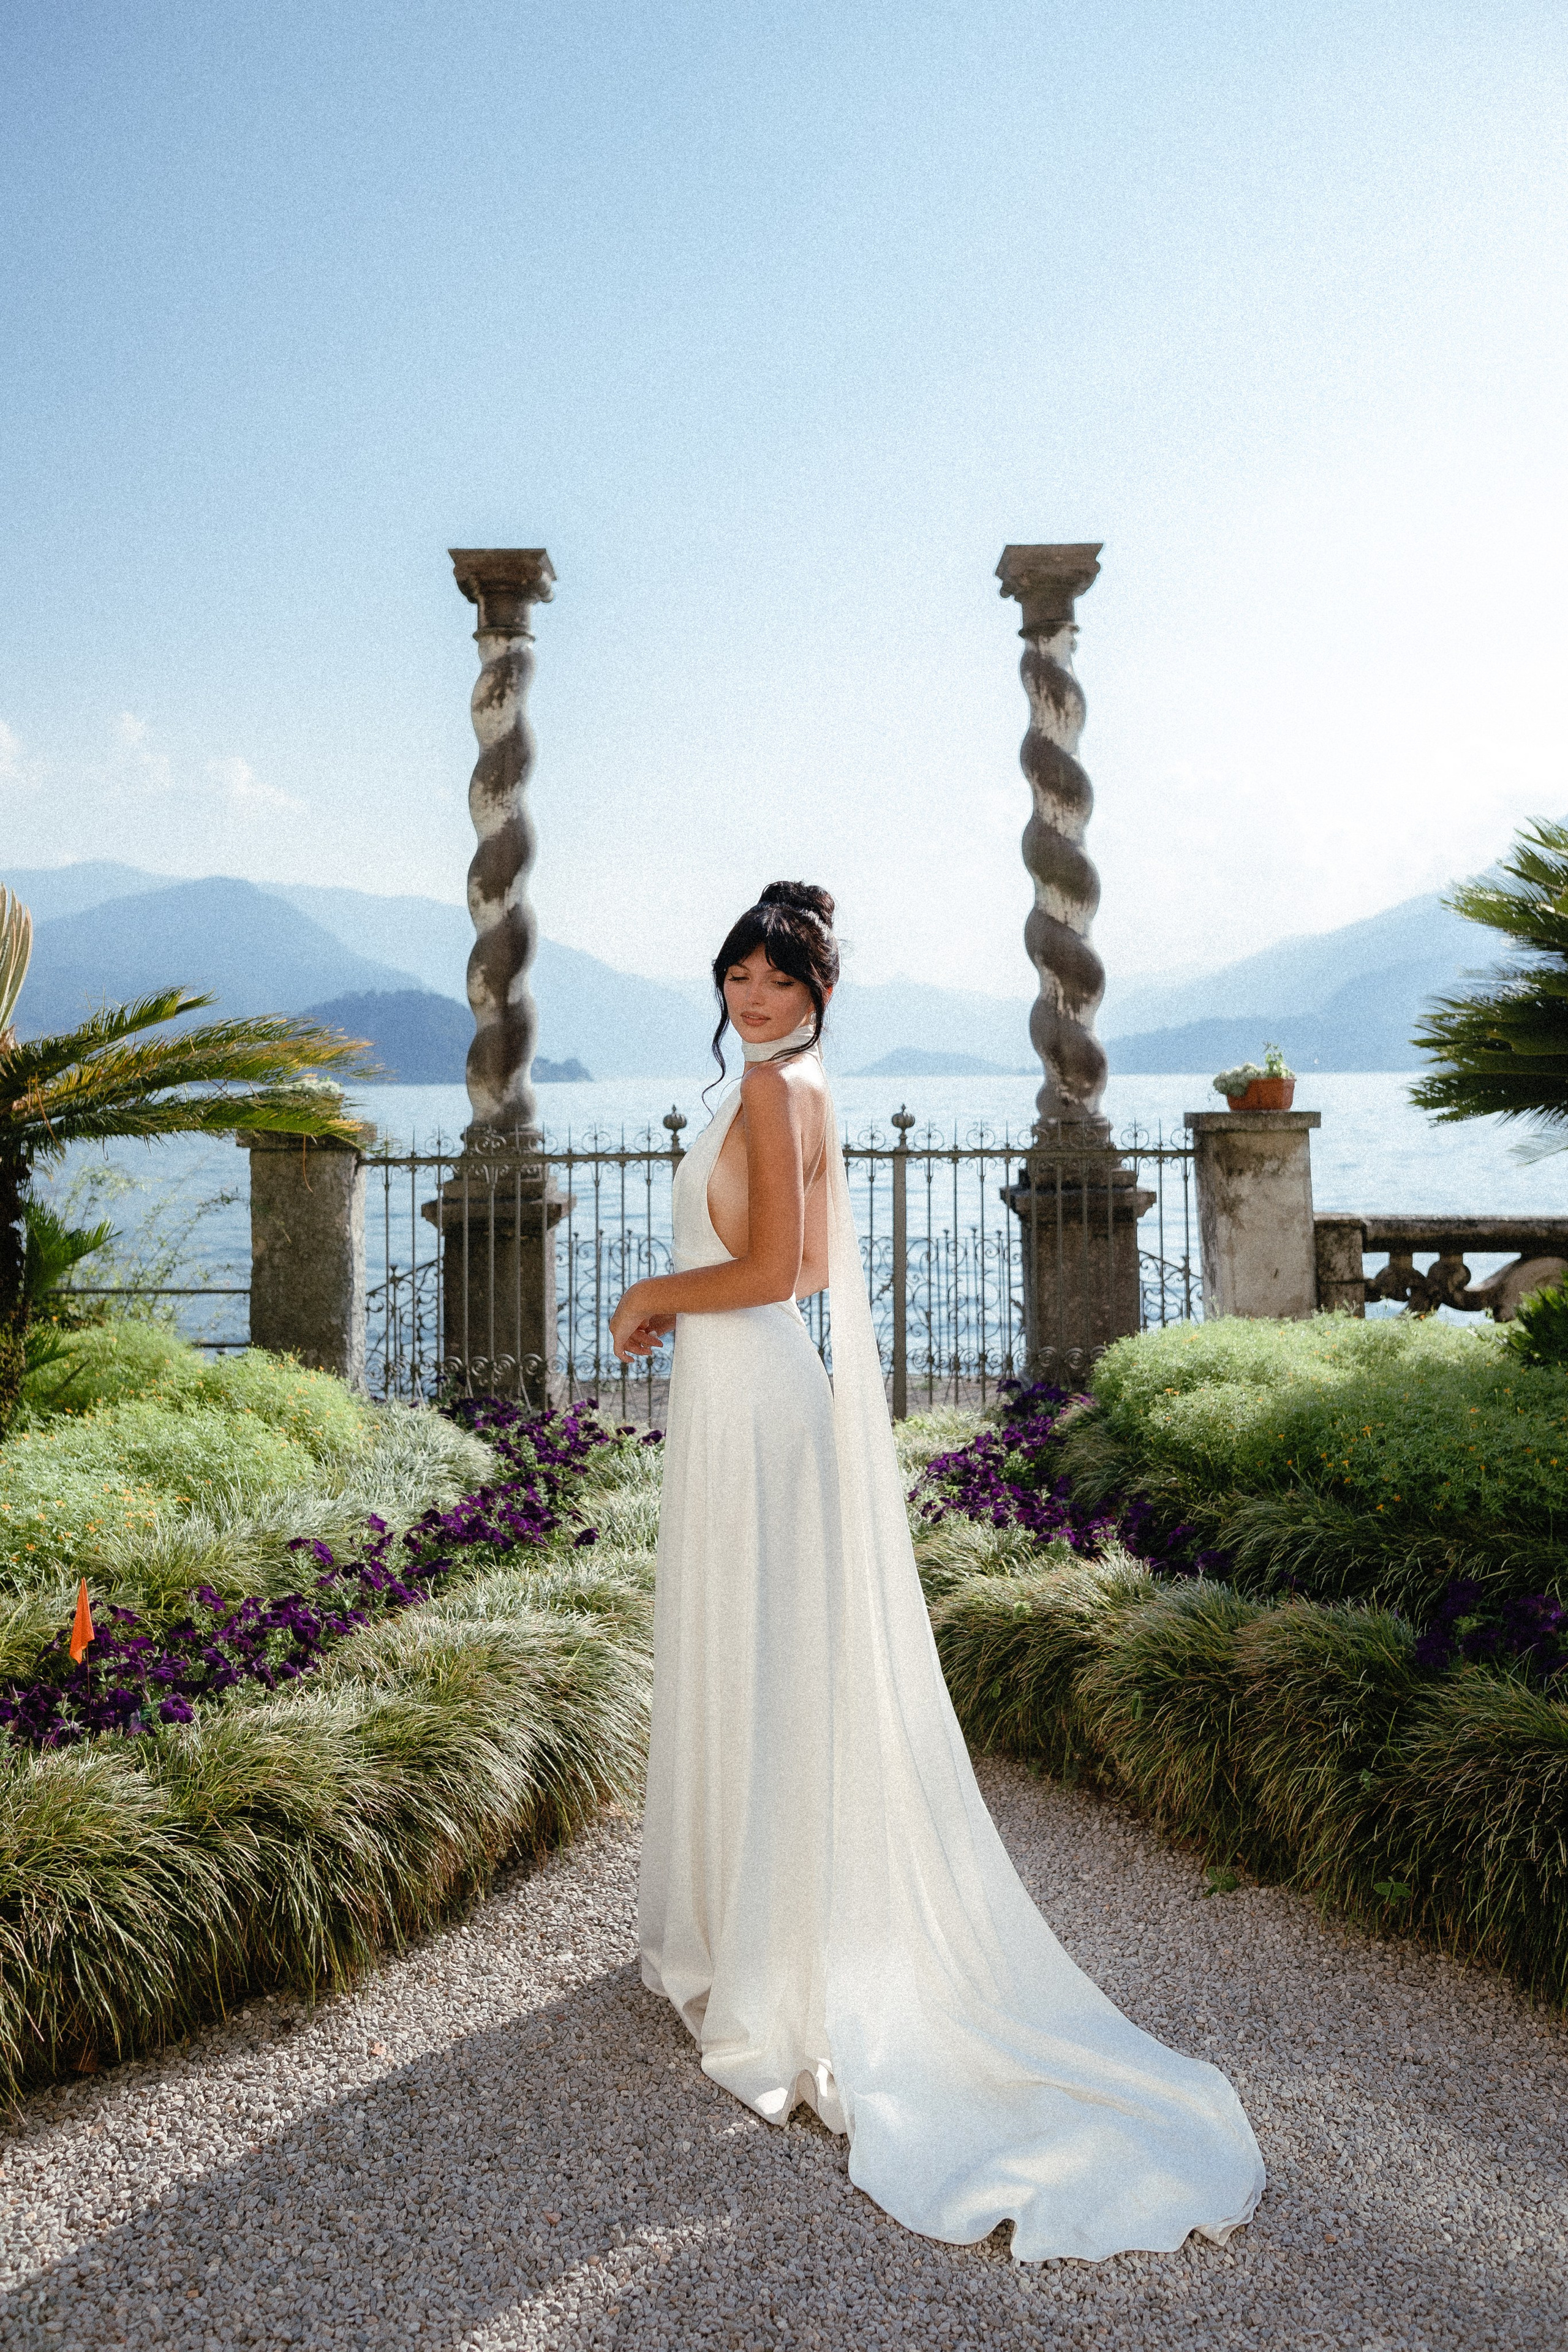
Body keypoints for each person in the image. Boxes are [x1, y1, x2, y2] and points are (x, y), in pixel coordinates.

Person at [608, 882, 1264, 2263]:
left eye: (778, 977)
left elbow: (781, 1271)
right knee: (743, 1652)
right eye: (737, 970)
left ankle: (781, 1958)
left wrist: (656, 1295)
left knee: (766, 1659)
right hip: (731, 1410)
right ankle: (744, 1927)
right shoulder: (774, 1085)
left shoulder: (788, 1093)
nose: (752, 994)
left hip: (756, 1397)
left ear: (817, 991)